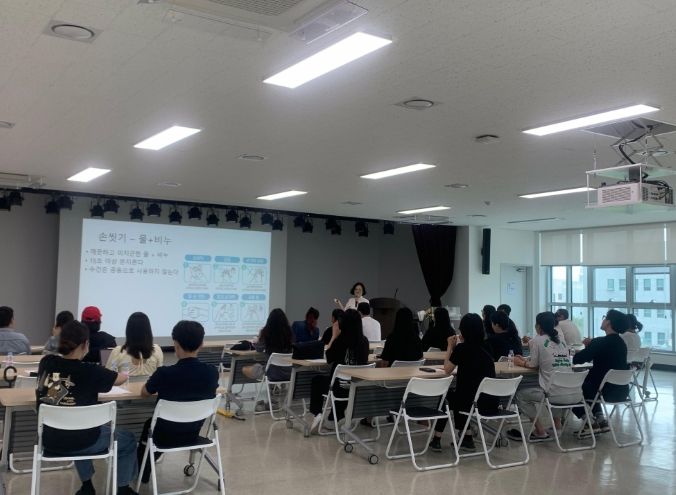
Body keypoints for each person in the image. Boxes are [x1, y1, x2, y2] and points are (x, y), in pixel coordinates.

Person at [36, 320, 137, 495]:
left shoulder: (46, 362)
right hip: (85, 440)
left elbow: (54, 391)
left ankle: (87, 486)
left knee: (75, 426)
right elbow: (120, 379)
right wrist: (126, 369)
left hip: (50, 439)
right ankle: (122, 489)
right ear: (86, 344)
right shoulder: (93, 372)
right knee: (127, 439)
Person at [138, 320, 219, 484]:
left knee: (149, 426)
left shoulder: (164, 374)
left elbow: (144, 393)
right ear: (201, 344)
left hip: (163, 435)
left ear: (175, 343)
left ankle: (142, 473)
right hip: (193, 433)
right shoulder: (212, 373)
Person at [429, 313, 497, 452]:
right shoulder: (488, 347)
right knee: (461, 395)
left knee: (448, 396)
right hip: (490, 401)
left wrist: (450, 347)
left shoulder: (462, 349)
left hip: (471, 402)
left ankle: (437, 439)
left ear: (464, 331)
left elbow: (447, 369)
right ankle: (467, 438)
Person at [507, 312, 574, 441]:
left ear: (538, 326)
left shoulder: (537, 340)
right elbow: (548, 359)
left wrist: (520, 362)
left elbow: (533, 365)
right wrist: (526, 360)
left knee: (521, 395)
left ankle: (540, 431)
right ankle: (557, 426)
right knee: (553, 388)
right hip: (572, 392)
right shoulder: (562, 340)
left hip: (554, 394)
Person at [309, 309, 369, 432]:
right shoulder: (364, 341)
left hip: (338, 387)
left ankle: (317, 413)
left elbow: (328, 358)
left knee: (317, 380)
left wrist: (334, 337)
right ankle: (335, 416)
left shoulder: (340, 340)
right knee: (340, 383)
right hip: (356, 386)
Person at [572, 309, 630, 436]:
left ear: (609, 322)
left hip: (604, 391)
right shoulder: (621, 343)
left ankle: (589, 422)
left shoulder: (600, 342)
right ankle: (601, 419)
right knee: (592, 385)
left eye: (604, 317)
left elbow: (578, 359)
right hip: (621, 391)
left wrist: (585, 349)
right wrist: (591, 347)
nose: (603, 320)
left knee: (570, 389)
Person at [243, 309, 294, 411]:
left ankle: (272, 396)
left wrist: (257, 339)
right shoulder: (290, 333)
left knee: (245, 369)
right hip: (290, 373)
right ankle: (273, 395)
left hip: (272, 373)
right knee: (266, 368)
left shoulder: (266, 332)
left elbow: (259, 349)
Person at [106, 312, 163, 376]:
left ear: (128, 331)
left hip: (125, 382)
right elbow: (160, 376)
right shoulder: (157, 350)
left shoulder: (118, 352)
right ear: (148, 331)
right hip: (150, 383)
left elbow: (108, 377)